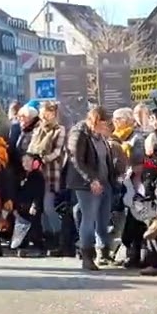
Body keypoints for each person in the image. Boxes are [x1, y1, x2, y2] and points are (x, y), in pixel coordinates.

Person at [65, 106, 114, 271]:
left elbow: (105, 158)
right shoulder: (79, 132)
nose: (105, 127)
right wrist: (91, 179)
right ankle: (87, 255)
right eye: (103, 124)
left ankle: (104, 251)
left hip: (104, 181)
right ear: (95, 120)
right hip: (86, 184)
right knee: (89, 217)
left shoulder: (99, 136)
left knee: (103, 217)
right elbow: (76, 159)